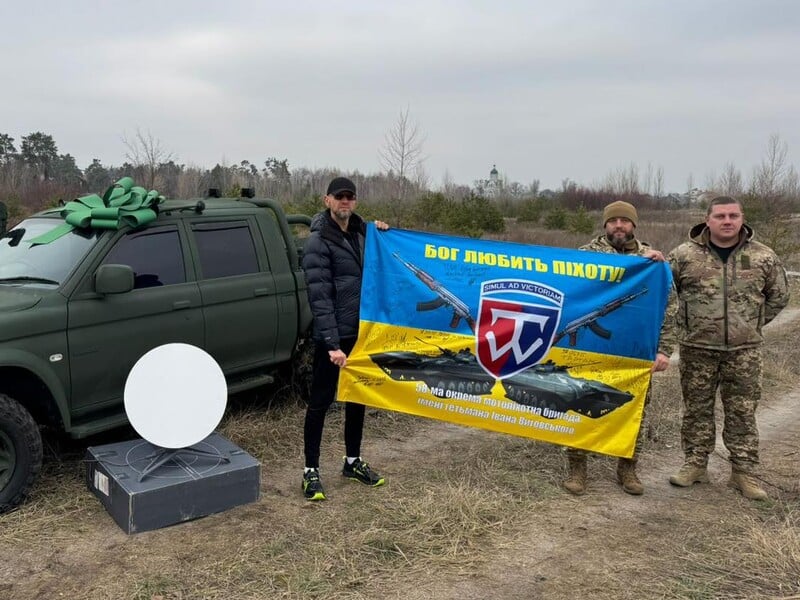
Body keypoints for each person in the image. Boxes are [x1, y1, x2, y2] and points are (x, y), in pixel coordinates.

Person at [664, 195, 789, 500]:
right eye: (720, 216)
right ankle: (695, 464)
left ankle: (743, 472)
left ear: (742, 219)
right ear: (707, 220)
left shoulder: (763, 256)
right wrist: (685, 324)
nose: (727, 221)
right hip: (697, 348)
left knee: (742, 412)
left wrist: (751, 323)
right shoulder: (683, 255)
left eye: (733, 215)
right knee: (696, 410)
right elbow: (667, 296)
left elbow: (779, 296)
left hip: (744, 352)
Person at [563, 200, 671, 496]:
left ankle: (628, 468)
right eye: (613, 221)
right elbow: (569, 296)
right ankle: (577, 467)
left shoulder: (651, 261)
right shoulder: (583, 256)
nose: (619, 226)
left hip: (635, 351)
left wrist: (665, 350)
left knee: (632, 410)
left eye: (625, 221)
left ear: (634, 225)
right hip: (590, 349)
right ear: (605, 225)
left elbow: (668, 309)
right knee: (580, 404)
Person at [300, 176, 389, 501]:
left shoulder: (365, 234)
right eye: (339, 197)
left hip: (361, 334)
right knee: (320, 403)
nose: (345, 202)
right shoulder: (317, 242)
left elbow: (386, 261)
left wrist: (382, 231)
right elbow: (320, 297)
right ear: (327, 201)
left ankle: (352, 461)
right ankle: (310, 471)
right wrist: (332, 344)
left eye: (350, 197)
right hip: (333, 338)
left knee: (357, 399)